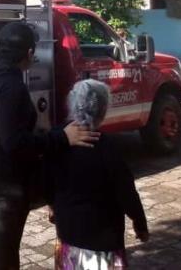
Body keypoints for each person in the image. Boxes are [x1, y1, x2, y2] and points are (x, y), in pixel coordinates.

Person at [0, 21, 99, 270]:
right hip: (6, 184)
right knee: (4, 251)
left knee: (3, 246)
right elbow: (15, 143)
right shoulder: (11, 87)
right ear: (30, 54)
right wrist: (63, 137)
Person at [46, 79, 149, 269]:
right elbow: (126, 192)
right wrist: (139, 222)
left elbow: (45, 180)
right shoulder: (107, 147)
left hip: (68, 235)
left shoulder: (57, 139)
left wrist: (52, 205)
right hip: (103, 242)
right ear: (102, 110)